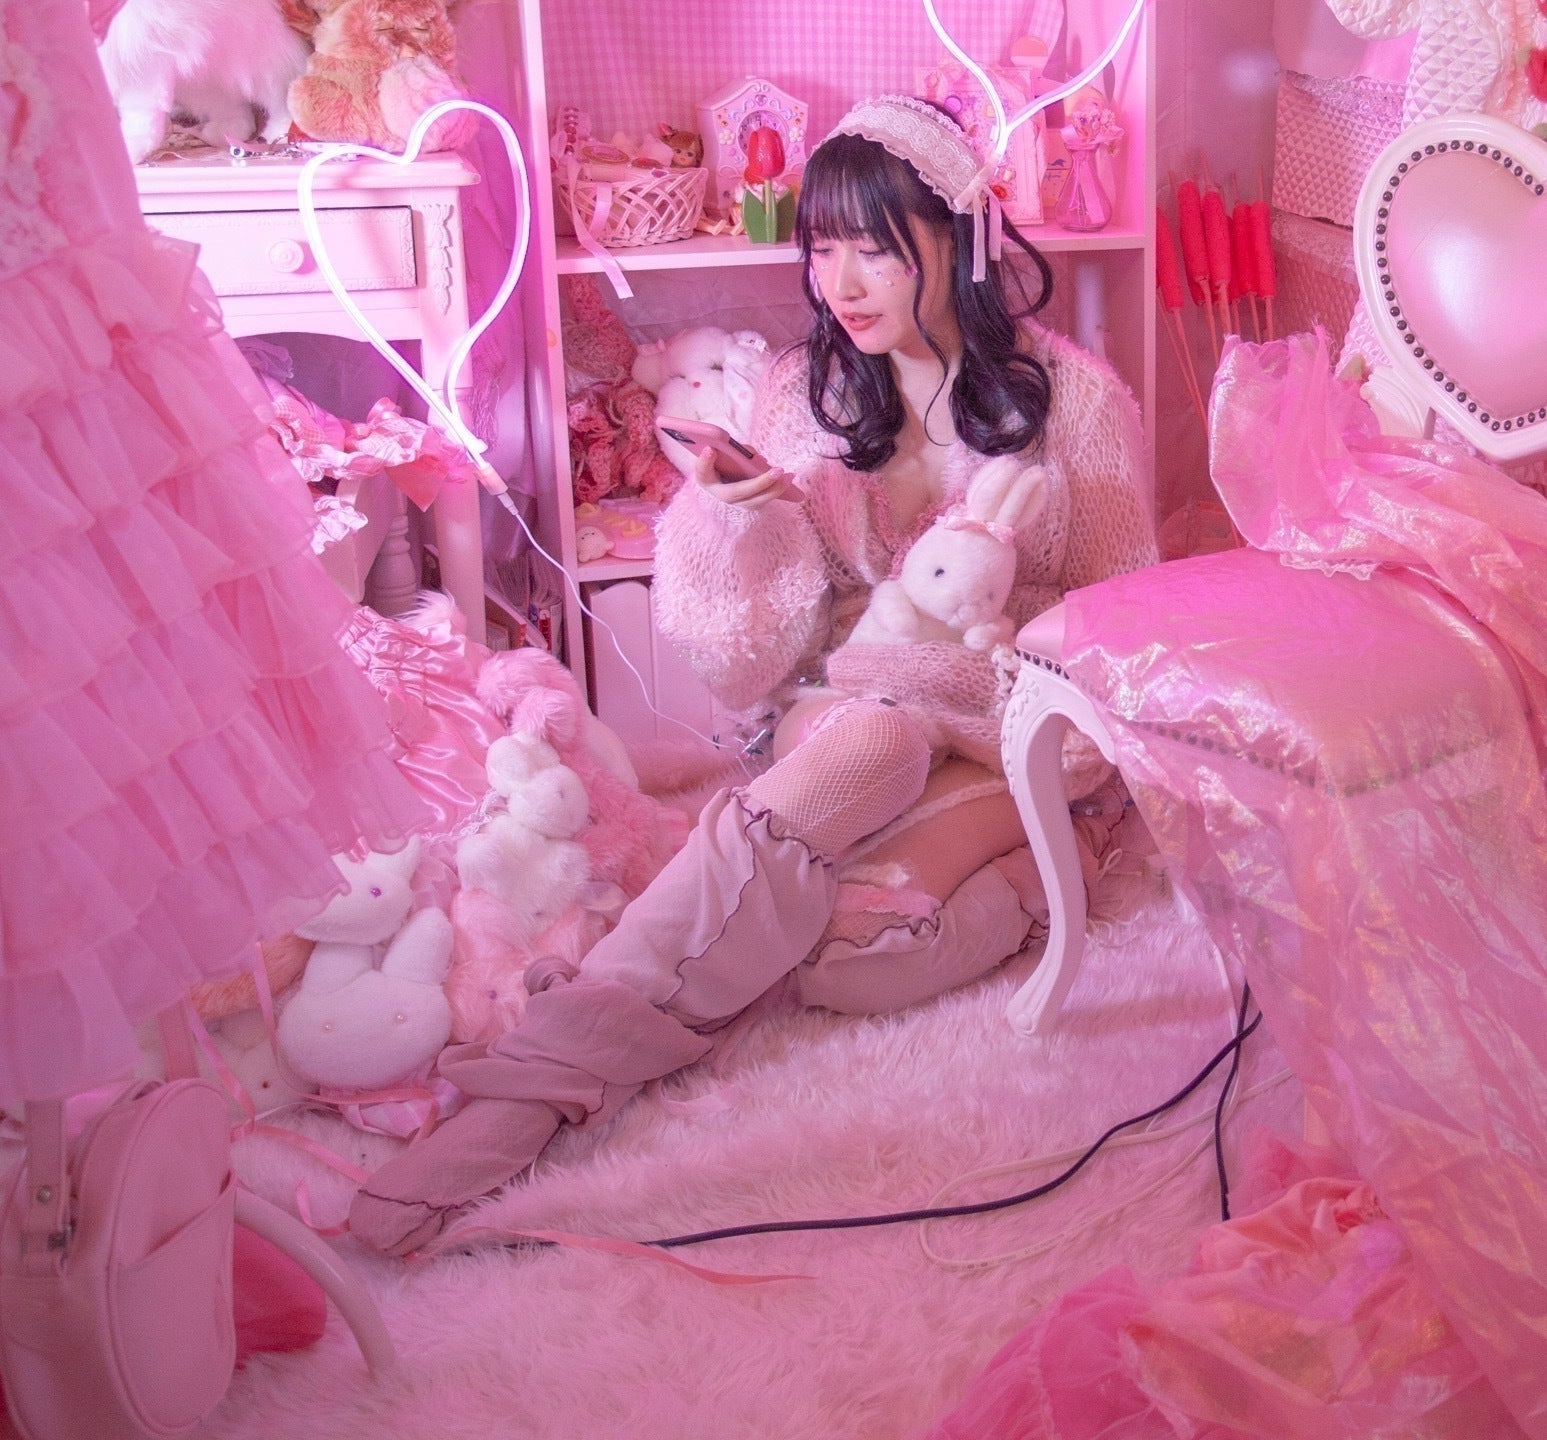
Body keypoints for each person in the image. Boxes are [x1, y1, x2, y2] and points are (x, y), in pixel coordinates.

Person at [351, 97, 1155, 1253]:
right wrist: (736, 520)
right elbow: (754, 656)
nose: (841, 281)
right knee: (862, 777)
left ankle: (1049, 856)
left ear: (959, 237)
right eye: (822, 247)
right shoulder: (805, 392)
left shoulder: (1074, 397)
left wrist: (991, 660)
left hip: (1002, 718)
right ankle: (534, 1090)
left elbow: (1122, 619)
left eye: (874, 246)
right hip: (852, 710)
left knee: (849, 957)